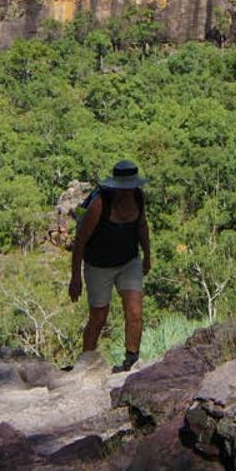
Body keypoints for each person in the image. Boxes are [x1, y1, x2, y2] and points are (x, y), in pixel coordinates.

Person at [68, 159, 152, 371]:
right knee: (98, 316)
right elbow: (80, 241)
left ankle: (131, 360)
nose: (126, 192)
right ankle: (85, 363)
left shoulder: (138, 198)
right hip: (99, 265)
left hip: (128, 261)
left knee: (135, 311)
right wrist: (75, 277)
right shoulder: (99, 204)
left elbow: (142, 227)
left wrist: (147, 256)